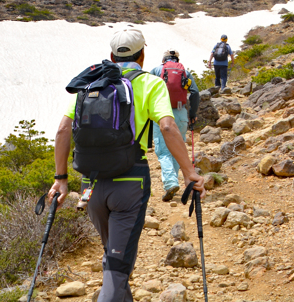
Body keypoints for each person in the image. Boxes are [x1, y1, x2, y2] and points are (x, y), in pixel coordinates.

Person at [49, 29, 205, 302]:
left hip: (91, 186)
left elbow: (63, 130)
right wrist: (190, 173)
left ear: (111, 56)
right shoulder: (150, 84)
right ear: (142, 56)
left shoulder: (90, 82)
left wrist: (61, 179)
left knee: (113, 255)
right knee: (118, 266)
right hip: (130, 182)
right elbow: (167, 126)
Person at [149, 49, 200, 202]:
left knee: (163, 150)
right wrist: (192, 114)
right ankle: (174, 181)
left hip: (162, 113)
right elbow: (195, 92)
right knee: (178, 148)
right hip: (181, 113)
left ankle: (170, 183)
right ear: (177, 59)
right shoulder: (185, 71)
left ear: (163, 58)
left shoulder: (157, 70)